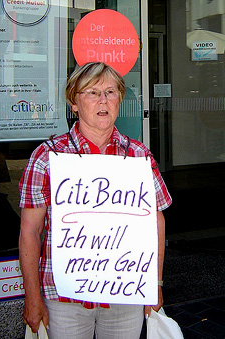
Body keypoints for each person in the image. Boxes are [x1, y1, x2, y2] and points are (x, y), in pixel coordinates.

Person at [19, 62, 172, 338]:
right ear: (73, 102)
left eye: (111, 92)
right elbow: (30, 231)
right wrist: (32, 297)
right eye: (92, 92)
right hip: (63, 298)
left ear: (120, 100)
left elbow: (156, 223)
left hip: (124, 295)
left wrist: (155, 284)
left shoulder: (139, 157)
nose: (103, 101)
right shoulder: (47, 157)